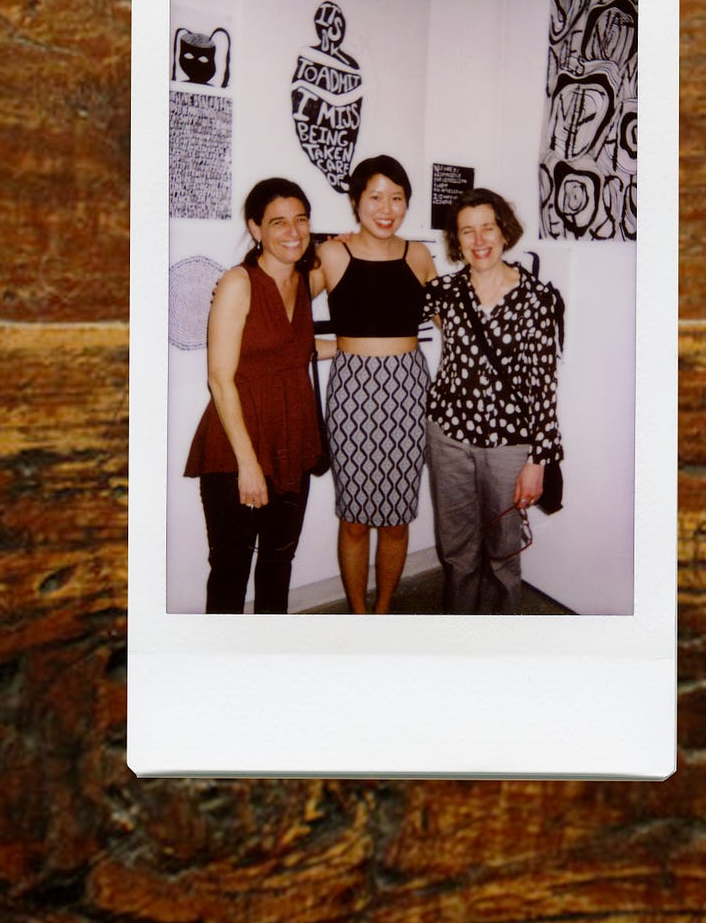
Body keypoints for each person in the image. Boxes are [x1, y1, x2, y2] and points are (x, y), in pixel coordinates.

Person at [184, 178, 325, 614]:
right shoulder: (238, 283)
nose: (293, 231)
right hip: (238, 448)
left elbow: (293, 348)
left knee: (278, 568)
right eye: (278, 222)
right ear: (255, 228)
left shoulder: (304, 281)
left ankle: (269, 652)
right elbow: (219, 379)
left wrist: (369, 348)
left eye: (301, 219)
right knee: (230, 572)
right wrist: (248, 465)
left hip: (291, 442)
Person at [421, 188, 564, 615]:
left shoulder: (536, 298)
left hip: (509, 446)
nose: (479, 239)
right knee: (457, 553)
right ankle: (462, 635)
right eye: (468, 231)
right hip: (448, 438)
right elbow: (384, 309)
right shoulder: (444, 291)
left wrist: (538, 461)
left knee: (503, 554)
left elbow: (544, 387)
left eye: (488, 227)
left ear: (504, 232)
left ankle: (503, 643)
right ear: (457, 240)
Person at [316, 155, 439, 613]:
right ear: (355, 201)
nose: (386, 209)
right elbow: (280, 304)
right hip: (352, 390)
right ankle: (358, 613)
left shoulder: (419, 254)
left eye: (397, 198)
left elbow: (453, 320)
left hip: (409, 388)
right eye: (375, 197)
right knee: (353, 518)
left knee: (396, 518)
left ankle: (383, 610)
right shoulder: (332, 254)